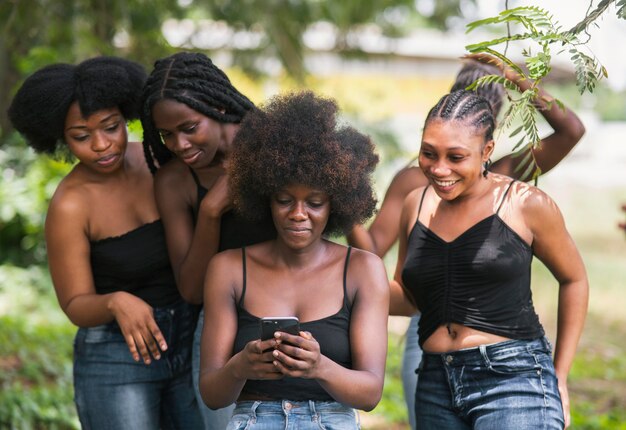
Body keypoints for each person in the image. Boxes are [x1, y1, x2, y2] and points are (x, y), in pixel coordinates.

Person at [347, 53, 586, 429]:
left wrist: (560, 374)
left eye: (456, 157)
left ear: (486, 151)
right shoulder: (416, 201)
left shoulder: (524, 201)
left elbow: (574, 279)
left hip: (514, 380)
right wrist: (337, 286)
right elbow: (409, 297)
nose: (439, 169)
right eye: (429, 154)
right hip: (435, 382)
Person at [7, 57, 202, 429]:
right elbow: (75, 303)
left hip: (192, 339)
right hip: (118, 358)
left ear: (125, 117)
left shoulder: (157, 162)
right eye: (81, 136)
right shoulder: (70, 204)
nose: (101, 145)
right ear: (60, 139)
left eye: (111, 127)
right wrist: (116, 302)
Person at [198, 91, 390, 429]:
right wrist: (240, 367)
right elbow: (213, 394)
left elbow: (370, 393)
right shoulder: (228, 269)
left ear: (337, 204)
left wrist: (320, 367)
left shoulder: (362, 269)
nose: (298, 214)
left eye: (314, 202)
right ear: (265, 198)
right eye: (284, 200)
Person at [140, 51, 276, 429]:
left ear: (217, 106)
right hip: (222, 327)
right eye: (167, 134)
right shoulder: (175, 181)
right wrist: (211, 211)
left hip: (298, 319)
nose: (179, 144)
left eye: (189, 127)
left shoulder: (275, 148)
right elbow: (193, 289)